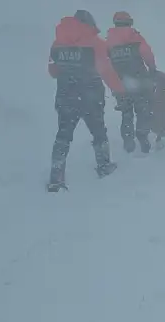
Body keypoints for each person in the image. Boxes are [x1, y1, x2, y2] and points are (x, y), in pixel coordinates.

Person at [46, 10, 119, 192]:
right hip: (90, 97)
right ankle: (103, 166)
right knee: (98, 132)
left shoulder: (57, 44)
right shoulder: (96, 44)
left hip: (65, 95)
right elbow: (107, 72)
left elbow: (53, 72)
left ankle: (56, 177)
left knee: (63, 135)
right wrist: (120, 91)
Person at [105, 11, 156, 153]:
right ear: (129, 22)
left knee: (126, 113)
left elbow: (105, 64)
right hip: (139, 80)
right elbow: (147, 54)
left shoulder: (108, 41)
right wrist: (152, 69)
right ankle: (142, 135)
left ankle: (128, 140)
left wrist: (113, 84)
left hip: (120, 84)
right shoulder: (135, 37)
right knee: (142, 110)